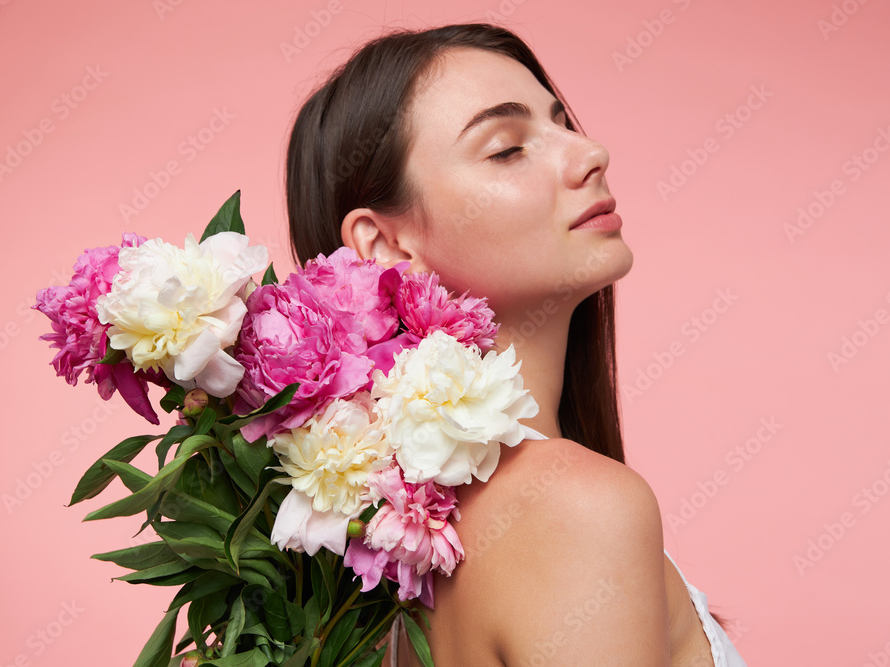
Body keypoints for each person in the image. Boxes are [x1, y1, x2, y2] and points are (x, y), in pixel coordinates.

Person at [285, 23, 746, 666]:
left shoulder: (355, 569)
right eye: (507, 148)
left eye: (561, 122)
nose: (591, 152)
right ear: (387, 247)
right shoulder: (575, 509)